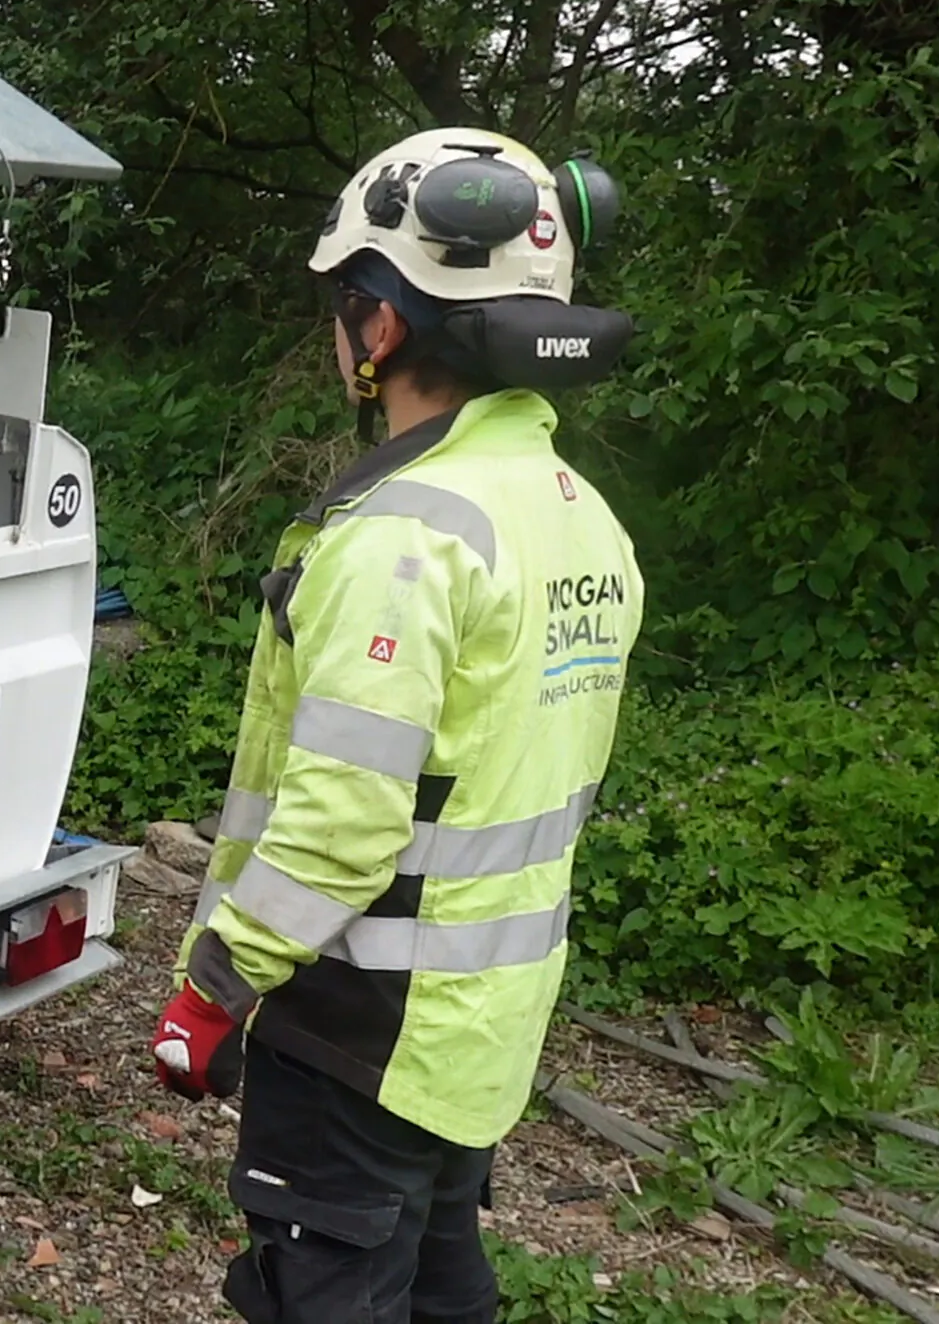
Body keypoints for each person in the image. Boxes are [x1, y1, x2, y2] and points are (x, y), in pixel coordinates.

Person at [147, 127, 645, 1323]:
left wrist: (210, 991)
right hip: (481, 1025)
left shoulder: (405, 536)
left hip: (360, 1024)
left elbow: (341, 827)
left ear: (376, 326)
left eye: (343, 307)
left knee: (332, 1288)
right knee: (432, 1276)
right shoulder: (579, 514)